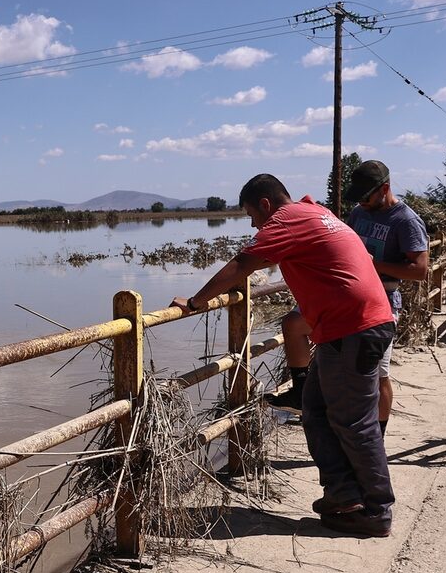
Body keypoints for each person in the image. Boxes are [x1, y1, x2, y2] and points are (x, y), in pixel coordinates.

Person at [171, 174, 396, 537]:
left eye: (251, 215)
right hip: (351, 327)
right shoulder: (315, 212)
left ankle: (376, 510)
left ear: (265, 204)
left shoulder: (286, 220)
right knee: (317, 410)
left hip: (353, 329)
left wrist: (197, 301)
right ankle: (342, 495)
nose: (253, 225)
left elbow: (242, 265)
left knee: (355, 423)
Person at [264, 161, 429, 438]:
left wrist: (372, 264)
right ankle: (301, 392)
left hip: (381, 305)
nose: (361, 204)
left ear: (385, 189)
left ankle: (377, 436)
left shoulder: (405, 220)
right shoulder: (358, 213)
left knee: (378, 377)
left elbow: (420, 270)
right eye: (358, 198)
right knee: (293, 324)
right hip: (341, 300)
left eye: (366, 197)